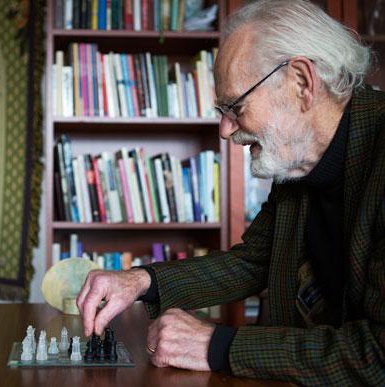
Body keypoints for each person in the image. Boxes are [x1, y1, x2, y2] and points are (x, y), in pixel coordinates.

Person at [77, 0, 385, 384]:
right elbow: (253, 262)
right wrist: (140, 280)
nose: (225, 130)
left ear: (302, 83)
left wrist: (218, 346)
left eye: (235, 107)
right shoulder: (299, 160)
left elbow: (378, 353)